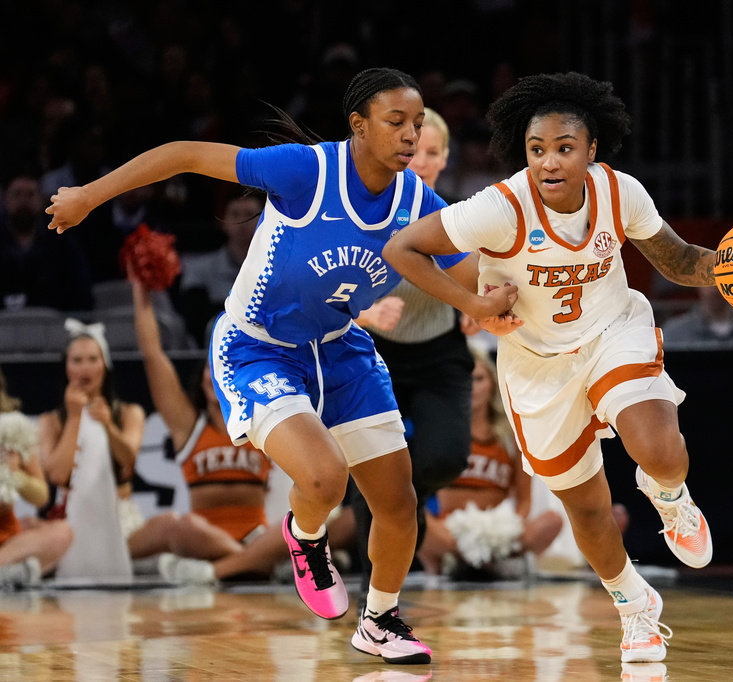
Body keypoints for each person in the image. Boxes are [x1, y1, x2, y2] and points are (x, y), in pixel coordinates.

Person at [46, 67, 478, 664]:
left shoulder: (417, 201)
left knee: (398, 502)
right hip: (258, 347)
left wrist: (517, 292)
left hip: (340, 348)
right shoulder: (308, 170)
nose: (410, 135)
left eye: (418, 123)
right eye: (396, 122)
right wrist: (89, 196)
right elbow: (183, 154)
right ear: (358, 126)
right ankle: (304, 536)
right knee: (325, 478)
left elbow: (470, 273)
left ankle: (379, 620)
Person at [384, 71, 715, 663]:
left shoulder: (621, 192)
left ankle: (670, 497)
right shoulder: (501, 208)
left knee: (661, 449)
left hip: (613, 330)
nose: (550, 162)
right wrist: (475, 306)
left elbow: (681, 260)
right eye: (538, 150)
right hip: (537, 361)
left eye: (565, 148)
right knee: (584, 506)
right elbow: (402, 248)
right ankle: (634, 605)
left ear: (592, 150)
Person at [351, 106, 475, 593]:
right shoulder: (370, 206)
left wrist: (475, 304)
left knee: (445, 458)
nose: (421, 160)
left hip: (439, 351)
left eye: (432, 152)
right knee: (376, 472)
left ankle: (412, 507)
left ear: (444, 158)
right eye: (413, 148)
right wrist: (365, 314)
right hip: (372, 351)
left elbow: (486, 276)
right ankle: (373, 593)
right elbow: (328, 285)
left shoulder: (464, 219)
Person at [123, 267, 275, 570]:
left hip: (258, 534)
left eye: (227, 368)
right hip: (202, 538)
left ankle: (228, 567)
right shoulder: (189, 425)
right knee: (177, 525)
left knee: (298, 527)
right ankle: (255, 563)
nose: (218, 376)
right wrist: (141, 294)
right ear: (203, 379)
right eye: (212, 369)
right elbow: (153, 355)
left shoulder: (262, 415)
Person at [417, 347, 562, 577]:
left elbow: (525, 499)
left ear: (492, 383)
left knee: (552, 521)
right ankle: (487, 563)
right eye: (466, 379)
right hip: (451, 529)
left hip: (499, 529)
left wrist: (512, 528)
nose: (472, 386)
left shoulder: (510, 435)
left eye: (479, 379)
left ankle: (462, 562)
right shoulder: (444, 431)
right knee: (415, 522)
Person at [37, 322, 145, 581]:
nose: (85, 368)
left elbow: (128, 459)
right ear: (67, 367)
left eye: (92, 359)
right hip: (67, 518)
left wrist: (108, 426)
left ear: (104, 365)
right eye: (77, 360)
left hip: (120, 517)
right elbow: (58, 476)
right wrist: (74, 417)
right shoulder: (50, 421)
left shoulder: (130, 413)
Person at [0, 372, 74, 587]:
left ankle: (6, 569)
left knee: (61, 532)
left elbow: (41, 496)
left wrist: (15, 475)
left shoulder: (13, 430)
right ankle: (11, 571)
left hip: (6, 536)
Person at [177, 191, 265, 344]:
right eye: (235, 214)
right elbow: (194, 321)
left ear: (264, 221)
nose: (242, 221)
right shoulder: (199, 270)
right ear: (222, 221)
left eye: (250, 214)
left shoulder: (278, 269)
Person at [0, 173, 93, 311]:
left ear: (42, 201)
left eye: (30, 194)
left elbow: (81, 295)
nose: (24, 201)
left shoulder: (62, 242)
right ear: (5, 199)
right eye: (17, 194)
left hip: (53, 326)